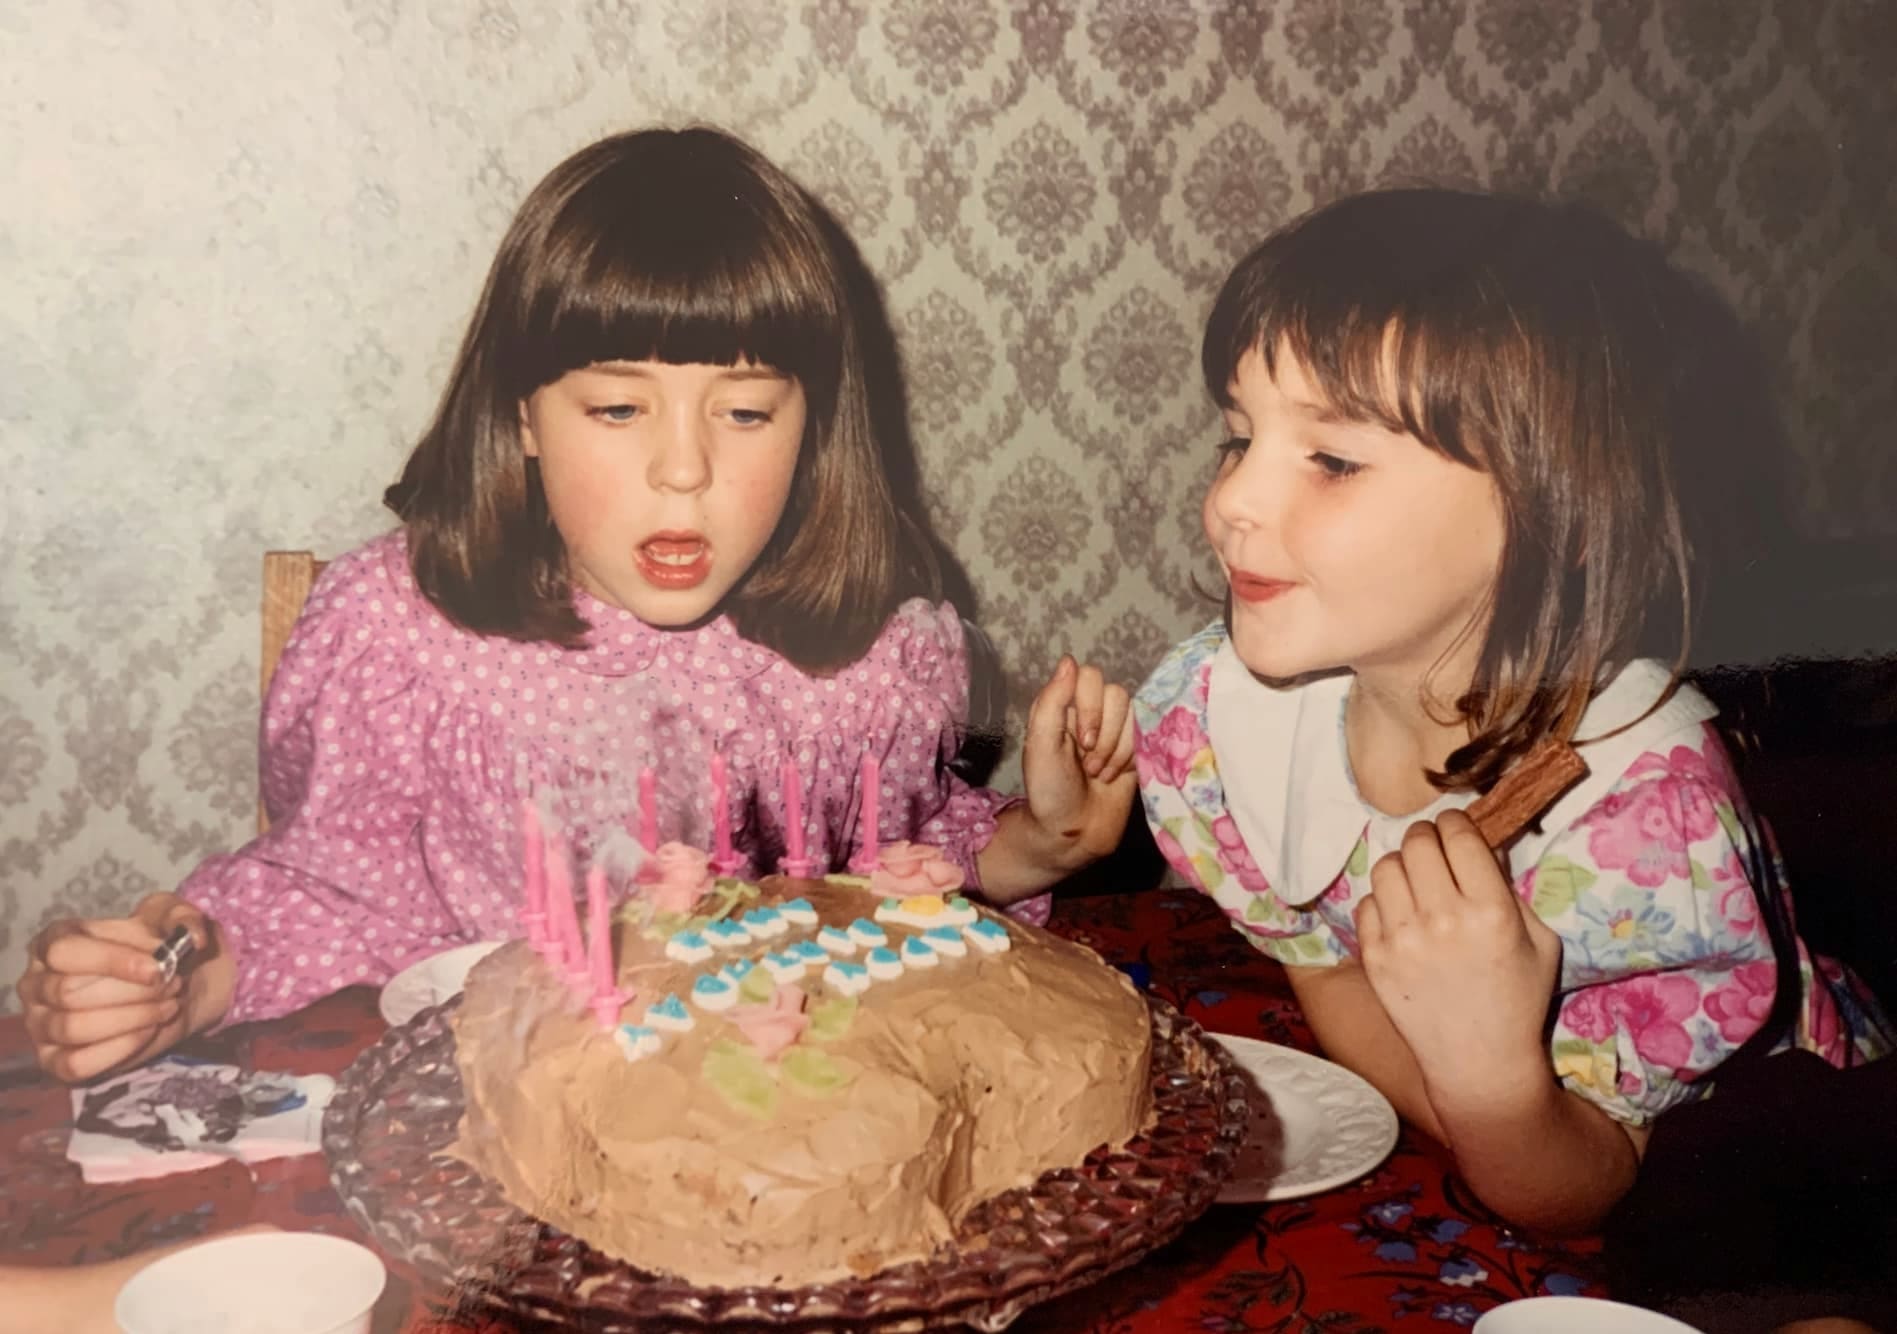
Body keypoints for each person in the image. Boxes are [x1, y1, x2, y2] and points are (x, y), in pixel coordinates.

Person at [17, 126, 1137, 1085]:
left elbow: (894, 863)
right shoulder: (400, 637)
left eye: (745, 413)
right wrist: (178, 978)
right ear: (519, 413)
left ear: (815, 428)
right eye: (616, 407)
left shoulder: (877, 653)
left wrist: (1042, 843)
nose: (684, 469)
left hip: (774, 1130)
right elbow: (329, 890)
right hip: (496, 1138)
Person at [1132, 188, 1893, 1325]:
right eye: (1240, 435)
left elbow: (1584, 1183)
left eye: (1329, 459)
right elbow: (1323, 962)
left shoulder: (1649, 821)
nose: (1229, 498)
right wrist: (1441, 1062)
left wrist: (1487, 1071)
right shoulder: (1220, 717)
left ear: (1538, 508)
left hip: (1768, 1172)